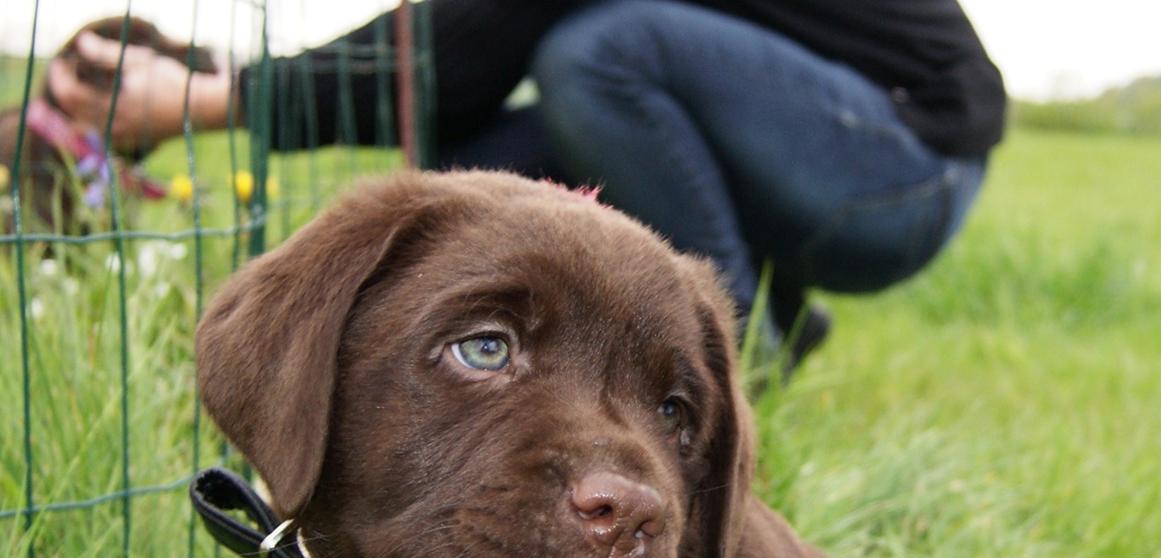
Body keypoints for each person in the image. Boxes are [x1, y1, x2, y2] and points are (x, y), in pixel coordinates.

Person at [48, 0, 1006, 367]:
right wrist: (231, 83)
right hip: (812, 149)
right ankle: (786, 330)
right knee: (487, 160)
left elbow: (457, 48)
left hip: (904, 164)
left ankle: (729, 346)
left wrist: (221, 101)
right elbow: (450, 61)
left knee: (598, 55)